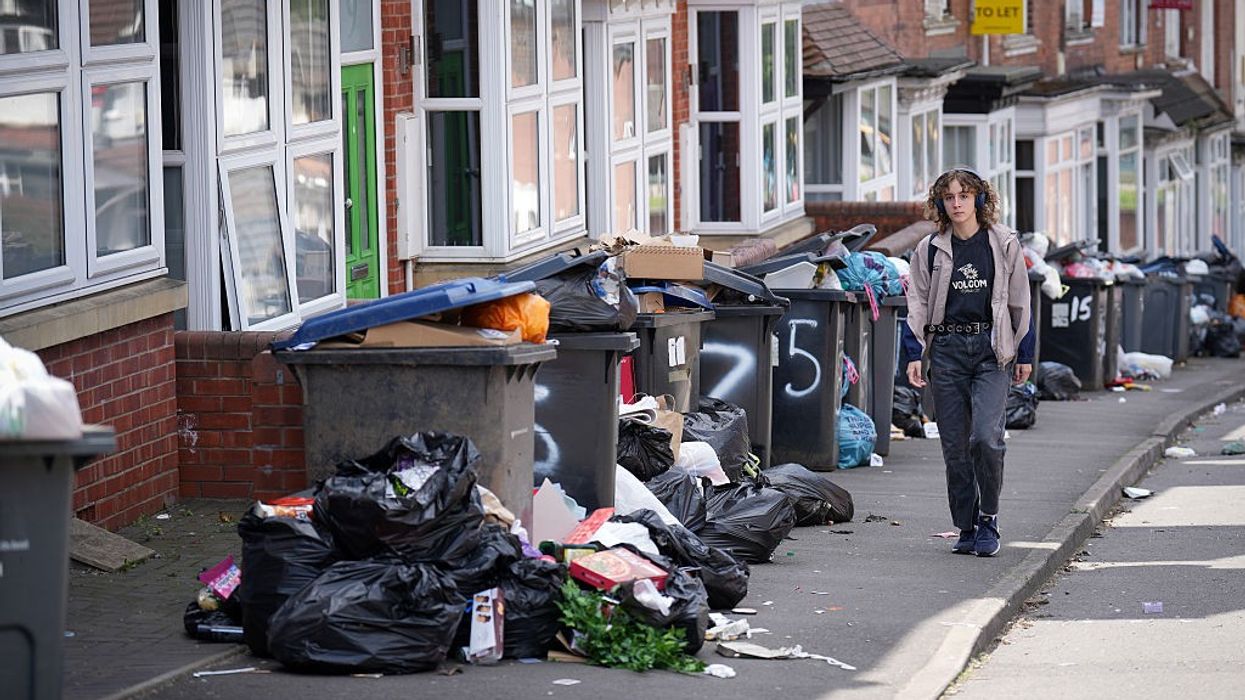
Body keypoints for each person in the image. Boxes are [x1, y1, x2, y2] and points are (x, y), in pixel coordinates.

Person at [901, 168, 1034, 557]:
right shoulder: (930, 249)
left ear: (978, 198)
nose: (957, 203)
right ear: (941, 203)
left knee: (986, 439)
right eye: (949, 197)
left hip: (992, 349)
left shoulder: (1003, 242)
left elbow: (1021, 300)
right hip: (947, 350)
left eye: (964, 195)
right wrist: (914, 353)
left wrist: (1024, 352)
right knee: (955, 447)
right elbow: (917, 303)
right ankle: (966, 525)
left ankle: (989, 518)